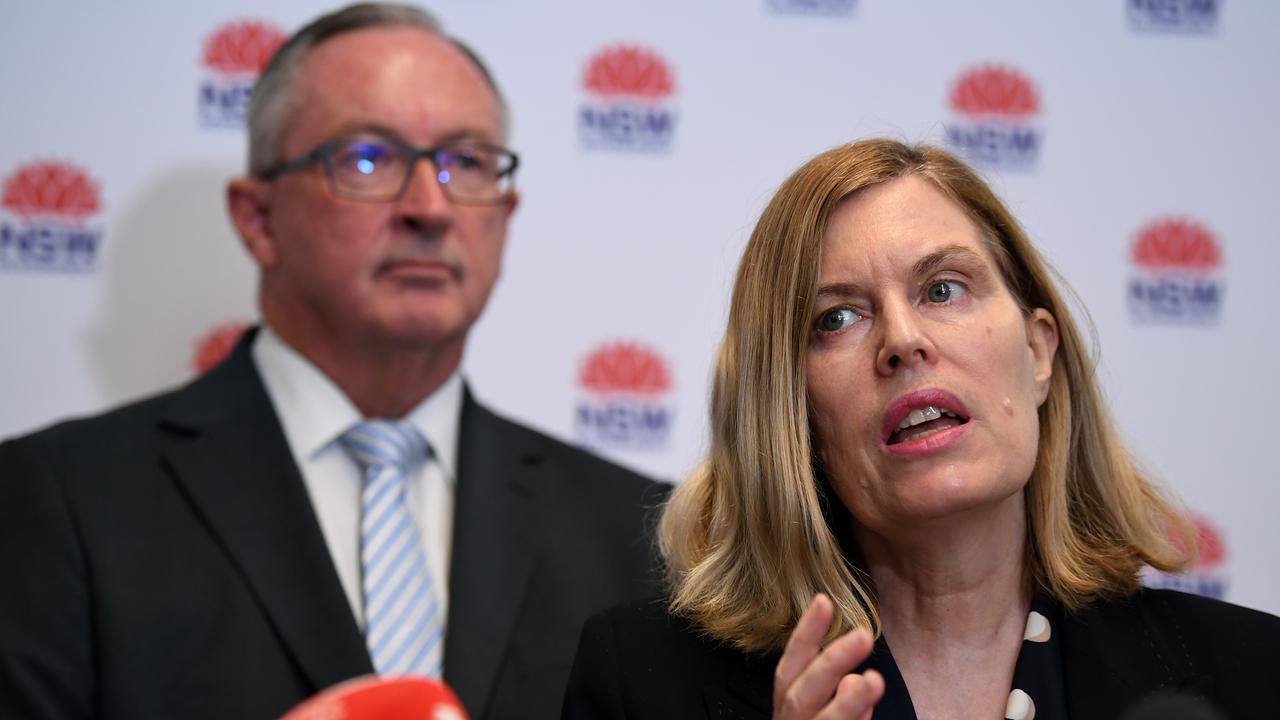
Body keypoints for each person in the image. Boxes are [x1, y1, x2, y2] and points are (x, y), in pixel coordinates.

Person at [0, 4, 666, 719]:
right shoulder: (57, 502)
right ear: (258, 219)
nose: (429, 206)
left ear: (505, 216)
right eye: (366, 159)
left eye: (466, 162)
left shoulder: (638, 532)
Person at [561, 139, 1280, 719]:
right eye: (836, 318)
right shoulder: (641, 682)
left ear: (1037, 354)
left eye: (943, 289)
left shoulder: (1248, 674)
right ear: (791, 413)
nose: (903, 340)